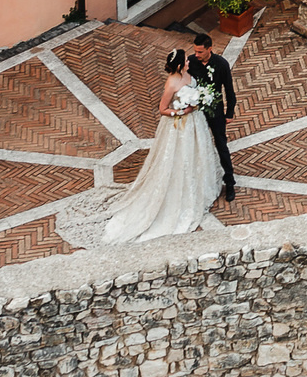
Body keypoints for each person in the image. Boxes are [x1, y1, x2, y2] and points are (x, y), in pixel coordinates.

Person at [101, 48, 222, 243]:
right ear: (181, 64)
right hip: (179, 126)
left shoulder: (187, 74)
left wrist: (199, 101)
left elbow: (196, 92)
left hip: (195, 122)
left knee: (198, 154)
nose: (190, 61)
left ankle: (200, 183)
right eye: (186, 60)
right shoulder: (171, 83)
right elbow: (162, 109)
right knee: (179, 158)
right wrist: (181, 112)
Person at [187, 33, 239, 202]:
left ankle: (229, 182)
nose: (196, 55)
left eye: (200, 52)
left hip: (215, 110)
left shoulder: (221, 64)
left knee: (221, 144)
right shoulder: (191, 62)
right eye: (195, 51)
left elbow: (229, 90)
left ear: (210, 49)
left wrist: (229, 113)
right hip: (197, 110)